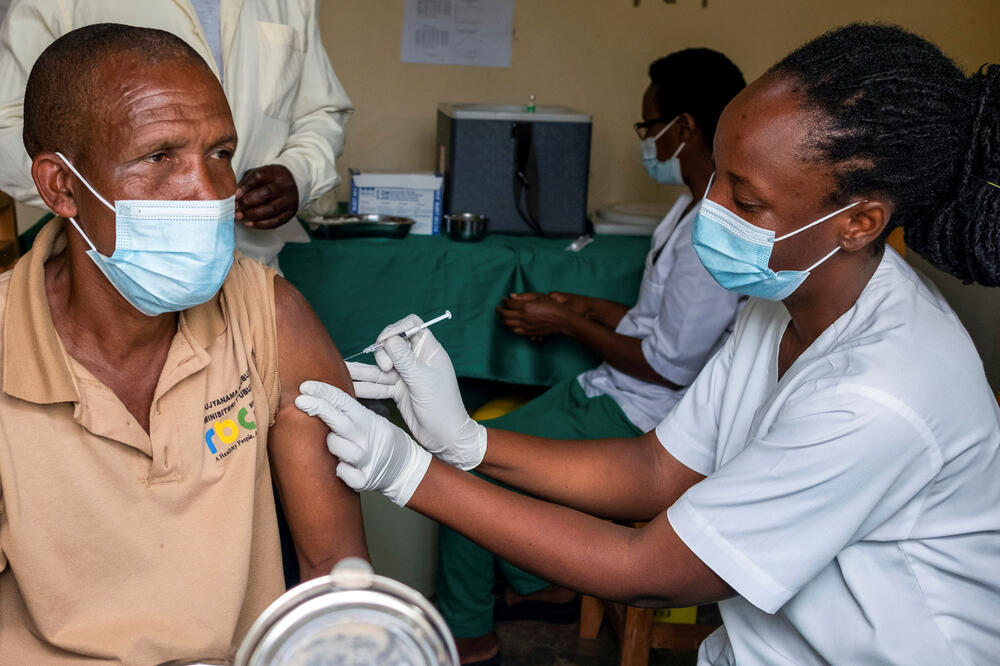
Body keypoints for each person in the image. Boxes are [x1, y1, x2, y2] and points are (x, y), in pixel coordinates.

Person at [298, 23, 1000, 665]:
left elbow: (645, 569)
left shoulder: (879, 394)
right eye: (717, 174)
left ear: (860, 221)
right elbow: (657, 470)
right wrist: (466, 443)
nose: (711, 208)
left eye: (746, 201)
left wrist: (407, 469)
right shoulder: (782, 299)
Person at [0, 24, 367, 663]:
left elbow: (335, 566)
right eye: (160, 156)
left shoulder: (270, 316)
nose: (209, 190)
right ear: (61, 187)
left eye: (220, 152)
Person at [427, 48, 745, 664]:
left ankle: (466, 632)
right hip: (614, 389)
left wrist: (567, 320)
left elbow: (667, 365)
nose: (646, 142)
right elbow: (656, 323)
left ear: (686, 127)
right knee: (487, 439)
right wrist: (579, 305)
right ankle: (540, 581)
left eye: (651, 128)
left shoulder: (717, 228)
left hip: (646, 414)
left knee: (456, 461)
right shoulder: (687, 209)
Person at [0, 0, 352, 268]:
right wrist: (90, 193)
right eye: (158, 155)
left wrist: (299, 172)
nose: (207, 193)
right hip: (113, 273)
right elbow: (7, 125)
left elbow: (321, 111)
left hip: (251, 264)